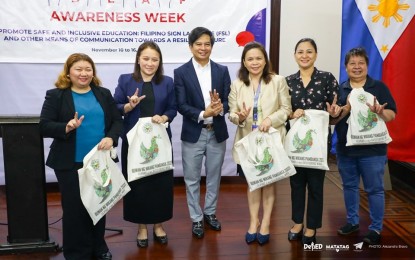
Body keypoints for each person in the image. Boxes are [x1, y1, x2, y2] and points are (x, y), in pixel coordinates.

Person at [39, 53, 122, 260]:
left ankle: (99, 247)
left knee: (98, 205)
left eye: (88, 69)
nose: (83, 73)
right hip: (70, 163)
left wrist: (111, 138)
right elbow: (44, 126)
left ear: (93, 72)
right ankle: (77, 253)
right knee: (75, 210)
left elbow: (117, 121)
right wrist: (66, 127)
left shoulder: (103, 93)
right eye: (78, 69)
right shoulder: (56, 95)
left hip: (100, 161)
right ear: (68, 72)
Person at [113, 41, 177, 248]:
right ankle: (141, 227)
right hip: (133, 142)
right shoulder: (125, 80)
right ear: (138, 59)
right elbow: (115, 107)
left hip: (159, 142)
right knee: (138, 185)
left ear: (160, 62)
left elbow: (173, 109)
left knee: (160, 184)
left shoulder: (167, 82)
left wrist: (164, 117)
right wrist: (128, 106)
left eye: (154, 59)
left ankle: (158, 224)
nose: (150, 63)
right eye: (146, 58)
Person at [228, 41, 292, 245]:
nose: (255, 62)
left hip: (271, 140)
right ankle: (253, 222)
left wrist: (269, 120)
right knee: (253, 183)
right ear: (244, 63)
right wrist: (239, 116)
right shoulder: (237, 84)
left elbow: (286, 109)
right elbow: (231, 114)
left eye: (258, 58)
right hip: (248, 141)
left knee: (269, 182)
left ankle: (265, 223)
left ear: (265, 60)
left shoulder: (278, 81)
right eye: (250, 59)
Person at [335, 47, 396, 245]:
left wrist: (380, 112)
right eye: (352, 63)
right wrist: (343, 110)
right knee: (350, 187)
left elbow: (392, 115)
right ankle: (352, 221)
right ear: (346, 67)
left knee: (375, 189)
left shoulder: (378, 87)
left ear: (367, 66)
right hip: (346, 150)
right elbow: (333, 120)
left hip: (373, 150)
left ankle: (376, 228)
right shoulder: (341, 89)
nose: (357, 67)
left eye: (361, 63)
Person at [174, 27, 231, 239]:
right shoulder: (181, 72)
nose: (203, 48)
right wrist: (202, 113)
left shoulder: (221, 71)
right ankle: (196, 218)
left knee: (214, 177)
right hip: (193, 132)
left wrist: (220, 107)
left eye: (207, 44)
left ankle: (210, 213)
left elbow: (228, 99)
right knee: (191, 179)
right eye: (198, 44)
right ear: (190, 47)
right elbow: (181, 104)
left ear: (212, 46)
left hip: (216, 132)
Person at [285, 38, 341, 245]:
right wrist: (291, 114)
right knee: (296, 183)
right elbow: (282, 111)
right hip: (296, 142)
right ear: (295, 55)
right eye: (300, 52)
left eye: (309, 52)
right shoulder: (288, 81)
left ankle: (311, 227)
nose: (304, 55)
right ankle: (298, 223)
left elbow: (337, 110)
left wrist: (335, 111)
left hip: (318, 142)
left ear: (316, 55)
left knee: (316, 185)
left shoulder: (327, 78)